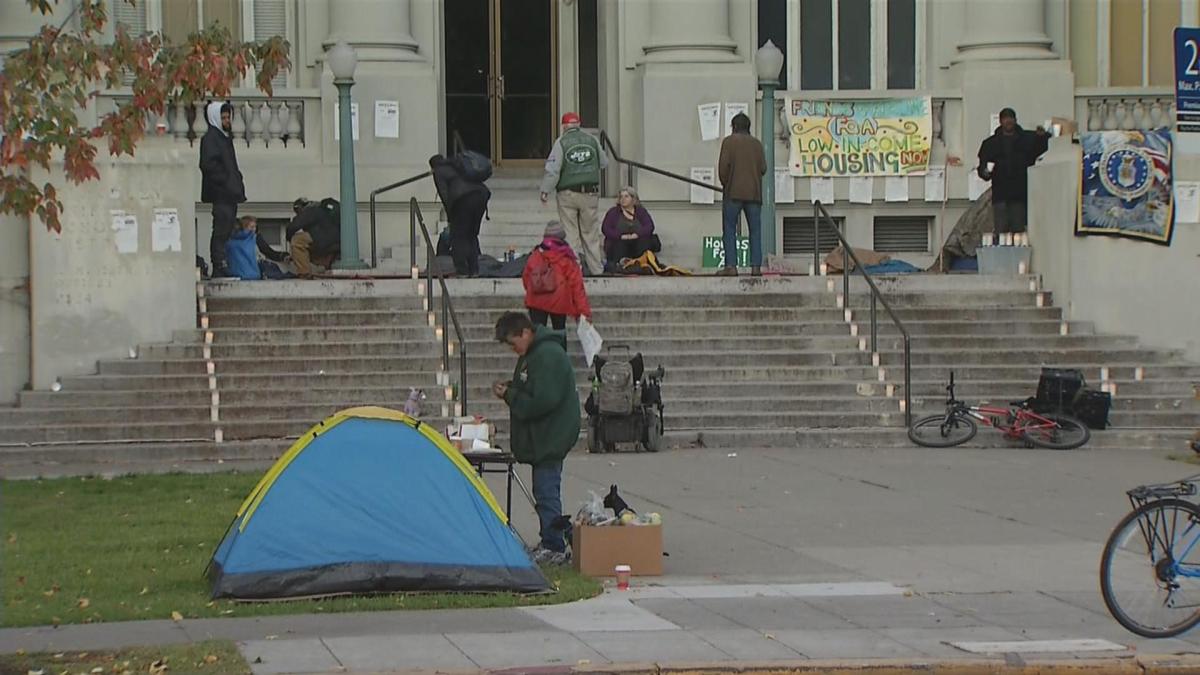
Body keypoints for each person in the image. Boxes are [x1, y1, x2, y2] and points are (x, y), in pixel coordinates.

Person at [492, 311, 580, 565]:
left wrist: (511, 395)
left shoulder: (548, 355)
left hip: (551, 436)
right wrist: (511, 388)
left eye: (513, 343)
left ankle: (555, 545)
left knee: (546, 491)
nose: (513, 349)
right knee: (543, 491)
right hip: (543, 436)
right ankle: (551, 539)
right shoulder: (533, 355)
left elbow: (543, 399)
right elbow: (532, 388)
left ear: (526, 333)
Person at [539, 112, 608, 277]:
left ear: (564, 126)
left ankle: (575, 269)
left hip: (568, 194)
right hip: (590, 193)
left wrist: (545, 190)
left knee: (570, 233)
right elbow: (604, 162)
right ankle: (597, 269)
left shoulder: (561, 142)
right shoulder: (592, 140)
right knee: (590, 233)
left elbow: (553, 170)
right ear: (579, 124)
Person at [976, 107, 1049, 239]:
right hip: (1000, 194)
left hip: (1019, 194)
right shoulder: (991, 144)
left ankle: (1018, 258)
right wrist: (985, 173)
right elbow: (982, 166)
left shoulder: (1026, 139)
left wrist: (1041, 137)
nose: (1008, 121)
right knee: (1001, 230)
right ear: (1000, 121)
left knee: (1018, 231)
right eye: (1005, 118)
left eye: (1010, 118)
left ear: (1015, 120)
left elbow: (1042, 148)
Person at [199, 101, 246, 278]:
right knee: (221, 229)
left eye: (228, 117)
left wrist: (236, 180)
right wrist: (226, 181)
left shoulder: (224, 138)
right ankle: (218, 264)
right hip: (221, 193)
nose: (227, 121)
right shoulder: (211, 139)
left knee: (226, 229)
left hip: (229, 193)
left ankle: (222, 262)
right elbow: (208, 166)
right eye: (223, 117)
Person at [717, 112, 767, 277]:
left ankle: (731, 266)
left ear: (735, 127)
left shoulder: (729, 142)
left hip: (733, 192)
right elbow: (763, 169)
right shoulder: (757, 144)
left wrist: (727, 183)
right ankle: (756, 267)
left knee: (730, 228)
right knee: (755, 230)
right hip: (754, 194)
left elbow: (723, 169)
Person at [522, 221, 591, 331]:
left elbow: (526, 278)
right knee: (559, 333)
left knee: (538, 335)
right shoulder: (567, 258)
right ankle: (559, 348)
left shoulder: (535, 255)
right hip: (559, 301)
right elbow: (577, 287)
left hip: (536, 300)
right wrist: (583, 312)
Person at [430, 153, 491, 276]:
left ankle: (462, 270)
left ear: (432, 167)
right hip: (481, 195)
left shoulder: (438, 171)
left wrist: (450, 217)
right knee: (471, 235)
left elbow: (444, 194)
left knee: (458, 236)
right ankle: (474, 270)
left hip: (463, 200)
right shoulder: (457, 165)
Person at [601, 186, 657, 272]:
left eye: (626, 196)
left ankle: (641, 263)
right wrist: (621, 236)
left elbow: (649, 226)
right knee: (618, 244)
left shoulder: (640, 211)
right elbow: (606, 229)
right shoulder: (613, 212)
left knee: (644, 241)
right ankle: (621, 264)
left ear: (633, 199)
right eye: (621, 197)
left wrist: (637, 234)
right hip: (620, 242)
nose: (623, 199)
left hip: (636, 242)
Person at [286, 197, 341, 278]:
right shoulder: (322, 209)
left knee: (297, 241)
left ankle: (304, 272)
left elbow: (293, 226)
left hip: (324, 239)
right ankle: (327, 266)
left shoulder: (310, 210)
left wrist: (289, 239)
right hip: (336, 242)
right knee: (304, 246)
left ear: (300, 208)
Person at [224, 215, 288, 280]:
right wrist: (282, 256)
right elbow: (267, 251)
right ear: (243, 227)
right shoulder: (254, 238)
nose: (254, 229)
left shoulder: (229, 240)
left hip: (235, 276)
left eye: (255, 227)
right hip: (253, 275)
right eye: (251, 227)